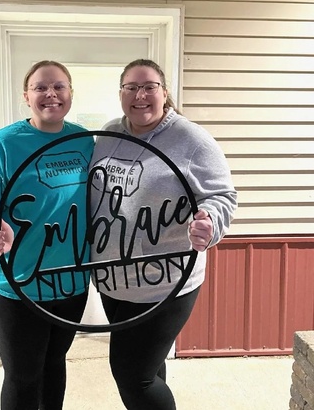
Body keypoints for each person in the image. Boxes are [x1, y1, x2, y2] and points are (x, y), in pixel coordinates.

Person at [89, 59, 237, 410]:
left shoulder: (191, 139)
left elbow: (221, 196)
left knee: (132, 375)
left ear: (164, 92)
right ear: (121, 93)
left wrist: (210, 223)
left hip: (164, 283)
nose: (140, 95)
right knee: (149, 368)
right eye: (131, 87)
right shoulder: (109, 134)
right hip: (113, 280)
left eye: (149, 87)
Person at [0, 60, 94, 410]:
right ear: (26, 96)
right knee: (23, 375)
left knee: (54, 362)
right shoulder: (3, 144)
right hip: (17, 282)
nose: (51, 94)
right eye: (40, 87)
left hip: (70, 280)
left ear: (70, 92)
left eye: (59, 86)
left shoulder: (84, 141)